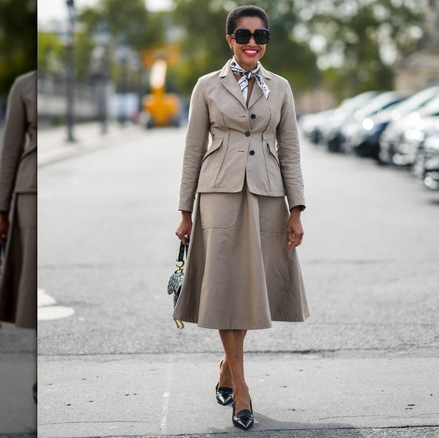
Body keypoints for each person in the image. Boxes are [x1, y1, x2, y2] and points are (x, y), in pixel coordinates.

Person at [173, 5, 309, 431]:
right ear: (229, 39)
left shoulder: (281, 88)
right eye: (245, 35)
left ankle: (228, 368)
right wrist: (184, 212)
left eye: (261, 36)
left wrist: (297, 209)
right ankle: (243, 390)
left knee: (251, 286)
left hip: (267, 196)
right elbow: (193, 149)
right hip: (217, 194)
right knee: (226, 284)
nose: (253, 43)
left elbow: (290, 150)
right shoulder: (206, 86)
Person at [0, 70, 38, 400]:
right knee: (31, 282)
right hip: (30, 192)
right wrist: (2, 211)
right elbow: (11, 149)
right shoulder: (23, 85)